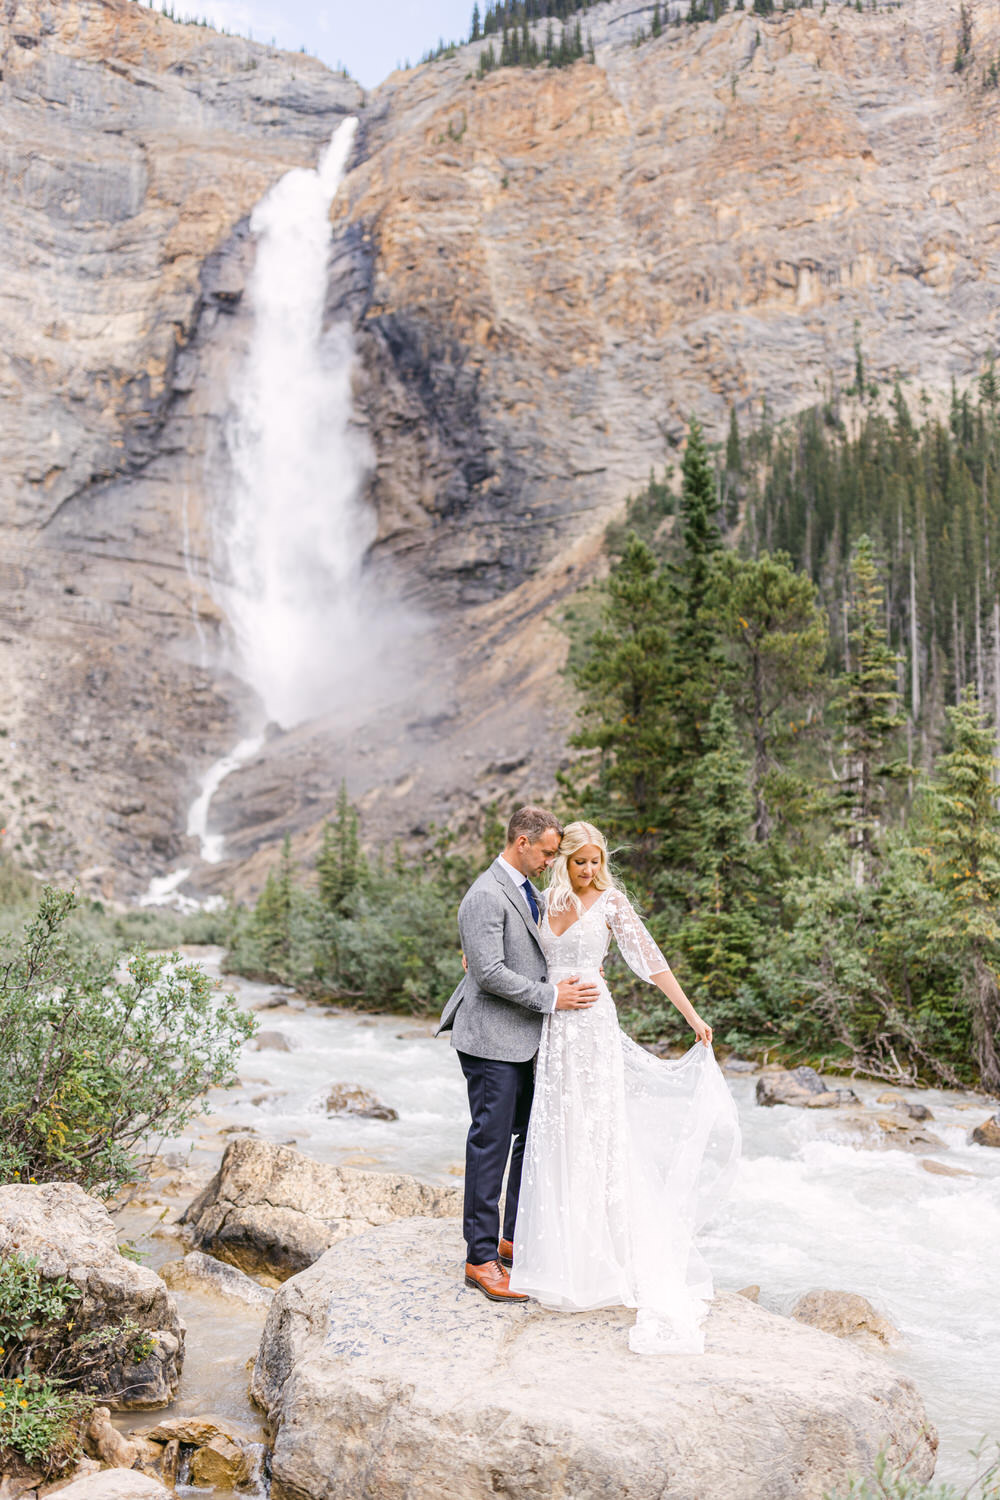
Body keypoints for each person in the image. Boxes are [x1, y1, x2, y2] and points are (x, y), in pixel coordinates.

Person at [507, 820, 740, 1354]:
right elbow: (516, 959)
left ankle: (606, 1256)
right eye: (579, 861)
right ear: (562, 860)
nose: (589, 871)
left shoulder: (611, 904)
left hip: (591, 1029)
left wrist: (692, 1017)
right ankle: (560, 1255)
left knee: (598, 1130)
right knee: (556, 1129)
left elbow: (652, 964)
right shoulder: (542, 903)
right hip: (554, 1027)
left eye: (596, 861)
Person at [437, 805, 601, 1302]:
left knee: (530, 1137)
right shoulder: (485, 893)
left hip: (529, 1040)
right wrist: (553, 998)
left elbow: (525, 948)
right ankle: (480, 1259)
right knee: (489, 1145)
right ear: (522, 842)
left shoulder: (530, 891)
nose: (553, 862)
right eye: (549, 853)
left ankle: (509, 1238)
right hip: (492, 1040)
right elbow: (488, 973)